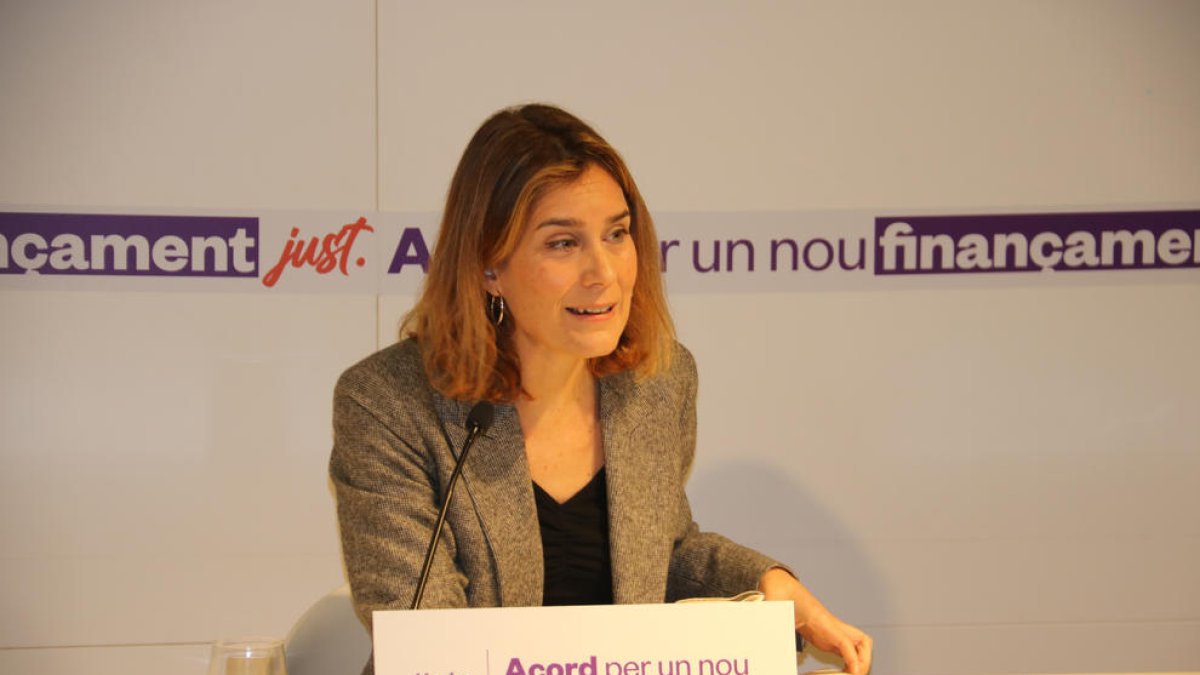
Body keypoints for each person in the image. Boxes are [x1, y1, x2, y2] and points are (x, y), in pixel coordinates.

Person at [330, 103, 873, 674]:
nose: (604, 272)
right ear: (490, 266)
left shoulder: (658, 383)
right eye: (563, 243)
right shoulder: (388, 403)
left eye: (616, 234)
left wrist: (772, 587)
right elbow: (428, 635)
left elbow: (664, 551)